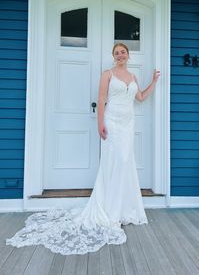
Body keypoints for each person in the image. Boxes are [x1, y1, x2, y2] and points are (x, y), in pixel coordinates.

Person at [6, 42, 160, 255]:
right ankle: (109, 209)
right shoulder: (107, 74)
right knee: (113, 163)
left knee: (125, 162)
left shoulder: (133, 77)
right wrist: (100, 124)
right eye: (116, 52)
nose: (120, 55)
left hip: (128, 123)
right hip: (112, 122)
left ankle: (125, 208)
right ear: (113, 56)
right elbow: (101, 99)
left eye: (123, 52)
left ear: (128, 55)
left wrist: (153, 81)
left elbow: (140, 97)